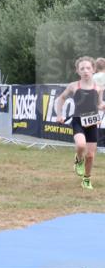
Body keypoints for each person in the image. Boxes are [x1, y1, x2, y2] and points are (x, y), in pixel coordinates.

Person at [54, 56, 105, 190]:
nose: (85, 71)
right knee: (81, 145)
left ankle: (86, 179)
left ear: (93, 70)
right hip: (78, 121)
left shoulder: (98, 88)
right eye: (82, 68)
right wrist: (59, 115)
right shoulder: (73, 86)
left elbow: (99, 104)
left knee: (90, 155)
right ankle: (78, 160)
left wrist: (102, 106)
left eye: (88, 68)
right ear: (78, 71)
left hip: (92, 122)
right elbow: (61, 99)